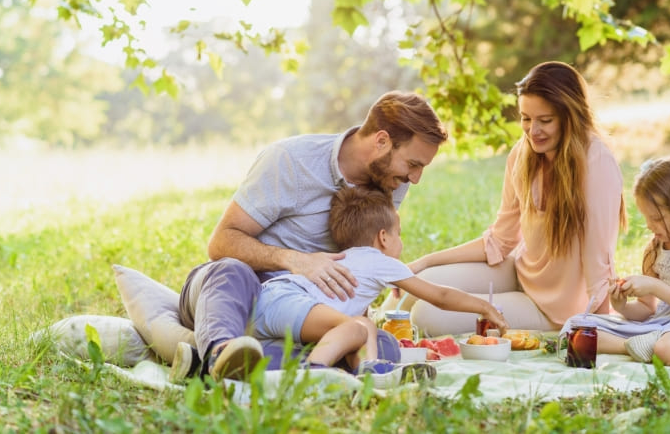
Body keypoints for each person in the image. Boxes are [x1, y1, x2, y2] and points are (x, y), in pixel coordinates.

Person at [174, 91, 449, 381]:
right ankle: (220, 349)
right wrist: (295, 260)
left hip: (302, 312)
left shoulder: (391, 180)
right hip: (238, 294)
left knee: (381, 346)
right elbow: (221, 243)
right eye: (413, 164)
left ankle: (218, 365)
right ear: (381, 141)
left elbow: (362, 258)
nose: (415, 178)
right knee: (232, 270)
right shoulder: (291, 160)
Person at [381, 61, 626, 335]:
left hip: (556, 309)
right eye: (526, 118)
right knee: (421, 282)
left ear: (570, 117)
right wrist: (425, 261)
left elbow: (598, 258)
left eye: (545, 121)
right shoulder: (523, 154)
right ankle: (369, 325)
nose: (533, 131)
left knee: (428, 316)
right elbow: (500, 240)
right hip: (520, 274)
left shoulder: (596, 161)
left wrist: (599, 330)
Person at [245, 186, 507, 386]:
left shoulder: (350, 259)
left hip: (268, 304)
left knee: (365, 326)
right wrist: (483, 306)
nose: (401, 242)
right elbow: (439, 295)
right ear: (383, 237)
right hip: (288, 299)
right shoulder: (378, 260)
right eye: (399, 234)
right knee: (355, 328)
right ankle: (314, 375)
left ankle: (369, 372)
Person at [561, 157, 670, 378]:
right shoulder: (654, 250)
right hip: (663, 323)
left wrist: (654, 286)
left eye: (656, 218)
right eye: (647, 218)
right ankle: (633, 345)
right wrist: (622, 306)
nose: (649, 225)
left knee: (666, 347)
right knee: (576, 327)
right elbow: (648, 310)